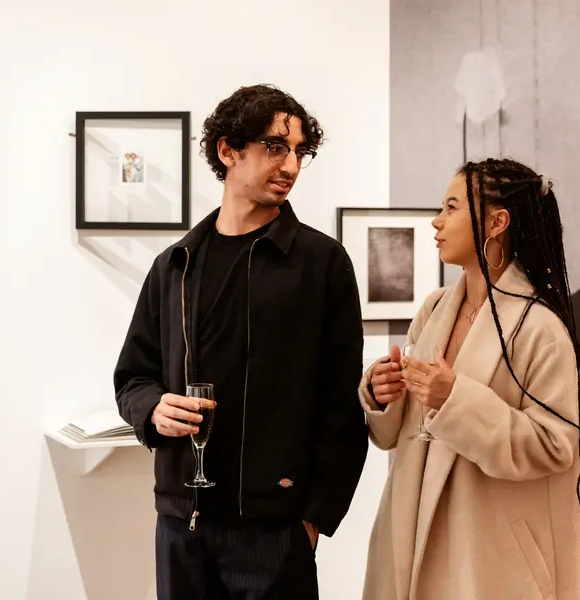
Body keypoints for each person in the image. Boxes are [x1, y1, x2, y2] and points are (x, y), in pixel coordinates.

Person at [113, 84, 368, 600]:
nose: (291, 166)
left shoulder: (321, 264)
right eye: (276, 147)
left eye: (299, 151)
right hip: (181, 526)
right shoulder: (175, 266)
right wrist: (152, 410)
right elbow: (133, 376)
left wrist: (313, 522)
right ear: (228, 150)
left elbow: (342, 405)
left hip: (276, 534)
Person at [359, 158, 580, 600]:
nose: (437, 221)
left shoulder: (541, 328)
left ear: (497, 222)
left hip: (487, 557)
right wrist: (379, 392)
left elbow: (555, 446)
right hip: (409, 535)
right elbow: (396, 434)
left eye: (451, 208)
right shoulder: (433, 310)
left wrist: (455, 401)